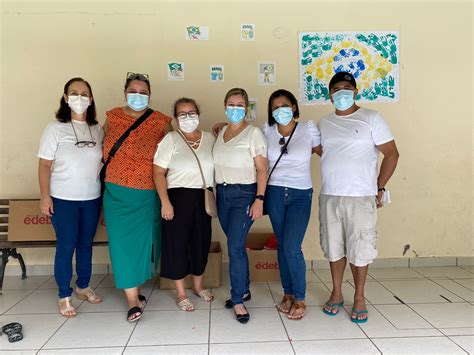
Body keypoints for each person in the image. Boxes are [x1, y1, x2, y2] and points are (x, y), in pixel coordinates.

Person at [315, 71, 399, 323]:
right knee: (333, 247)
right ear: (330, 95)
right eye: (337, 89)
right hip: (330, 195)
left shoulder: (371, 118)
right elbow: (323, 151)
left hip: (361, 196)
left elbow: (392, 154)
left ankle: (359, 297)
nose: (342, 92)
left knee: (360, 247)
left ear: (355, 91)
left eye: (347, 88)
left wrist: (379, 186)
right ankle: (337, 292)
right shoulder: (324, 123)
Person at [103, 72, 172, 322]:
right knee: (121, 246)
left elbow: (174, 153)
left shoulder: (160, 121)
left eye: (143, 92)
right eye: (133, 91)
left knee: (145, 245)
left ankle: (137, 287)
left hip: (147, 195)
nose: (138, 96)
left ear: (150, 95)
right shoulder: (112, 117)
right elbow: (99, 149)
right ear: (125, 92)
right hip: (116, 194)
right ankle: (132, 299)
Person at [38, 77, 103, 318]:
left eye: (84, 93)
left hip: (92, 198)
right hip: (63, 198)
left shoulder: (97, 128)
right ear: (65, 98)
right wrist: (45, 197)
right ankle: (64, 294)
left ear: (91, 98)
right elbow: (44, 166)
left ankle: (83, 286)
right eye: (74, 93)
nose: (79, 98)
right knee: (66, 246)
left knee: (86, 245)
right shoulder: (55, 128)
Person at [262, 89, 320, 320]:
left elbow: (326, 153)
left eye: (284, 105)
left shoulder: (309, 129)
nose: (280, 110)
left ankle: (300, 297)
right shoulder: (266, 131)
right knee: (282, 245)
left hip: (300, 194)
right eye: (275, 107)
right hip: (275, 192)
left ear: (294, 106)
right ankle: (287, 294)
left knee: (292, 246)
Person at [153, 98, 215, 311]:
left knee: (201, 243)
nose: (188, 117)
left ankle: (198, 286)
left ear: (198, 114)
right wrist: (165, 203)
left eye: (191, 112)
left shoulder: (210, 138)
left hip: (203, 198)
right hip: (176, 198)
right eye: (182, 114)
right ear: (175, 117)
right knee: (176, 245)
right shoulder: (170, 139)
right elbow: (158, 172)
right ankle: (181, 293)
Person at [213, 88, 268, 324]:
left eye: (240, 105)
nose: (235, 108)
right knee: (237, 244)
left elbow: (262, 169)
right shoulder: (221, 131)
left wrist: (259, 199)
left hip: (244, 194)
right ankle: (244, 288)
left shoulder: (253, 134)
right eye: (231, 104)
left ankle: (237, 300)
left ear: (247, 108)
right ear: (225, 105)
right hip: (222, 193)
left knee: (234, 247)